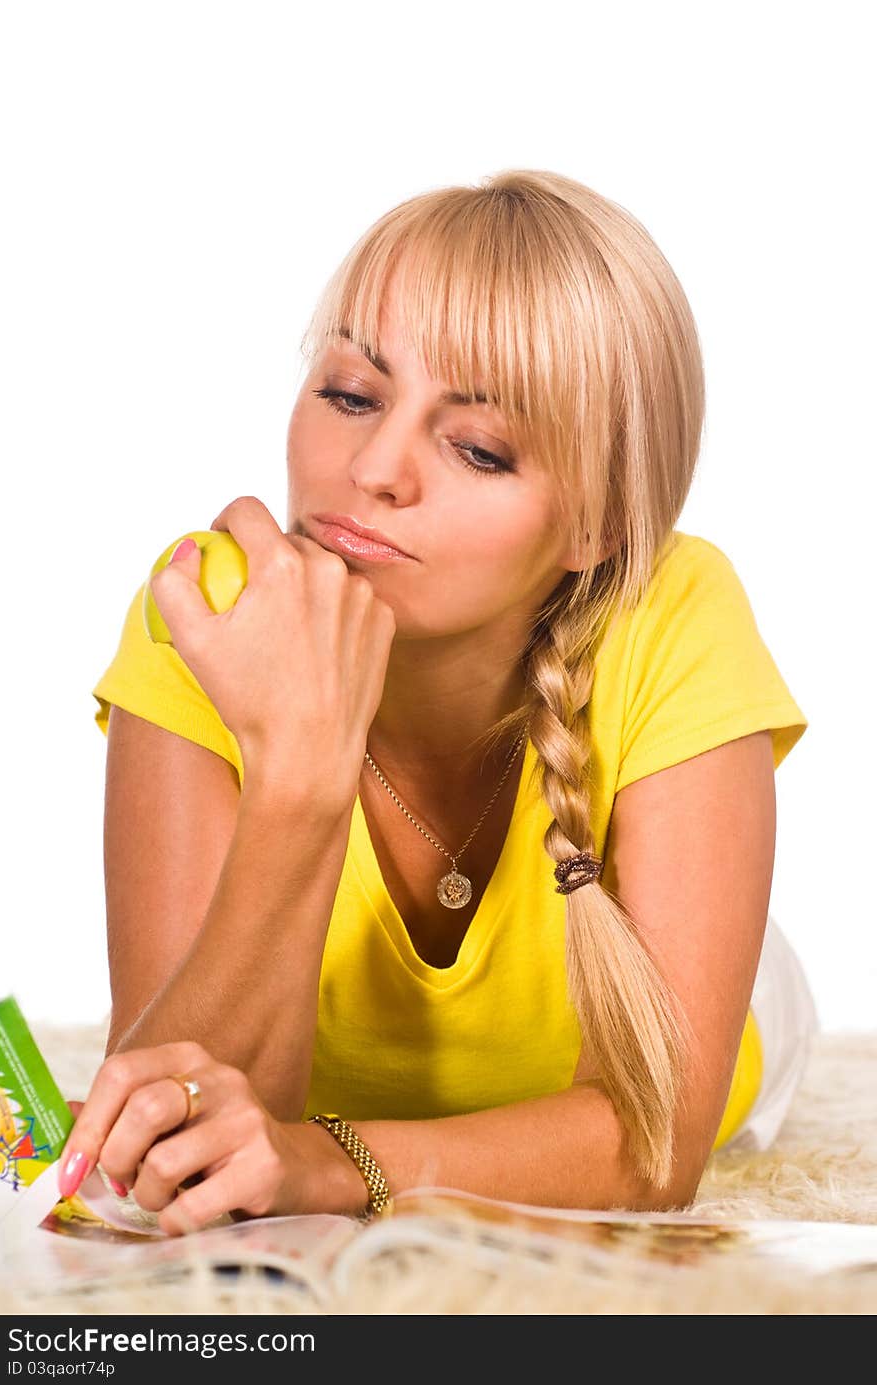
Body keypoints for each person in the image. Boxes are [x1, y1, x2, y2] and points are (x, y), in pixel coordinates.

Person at [60, 169, 813, 1236]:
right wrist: (300, 773)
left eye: (477, 447)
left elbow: (655, 1149)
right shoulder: (205, 607)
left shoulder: (676, 605)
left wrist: (325, 1162)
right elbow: (176, 1145)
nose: (370, 468)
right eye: (351, 395)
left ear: (593, 526)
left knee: (720, 988)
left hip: (682, 982)